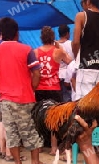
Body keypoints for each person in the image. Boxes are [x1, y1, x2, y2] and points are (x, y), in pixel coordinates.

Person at [0, 17, 47, 164]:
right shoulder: (26, 50)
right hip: (25, 97)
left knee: (11, 131)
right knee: (31, 130)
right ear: (16, 33)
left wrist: (2, 86)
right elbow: (37, 73)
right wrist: (31, 87)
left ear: (0, 33)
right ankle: (35, 163)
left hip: (5, 99)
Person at [34, 26, 73, 156]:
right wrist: (59, 47)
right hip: (54, 88)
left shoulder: (35, 52)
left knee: (38, 117)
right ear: (52, 37)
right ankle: (53, 147)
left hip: (39, 88)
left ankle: (38, 147)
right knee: (54, 119)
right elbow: (71, 63)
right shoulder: (58, 51)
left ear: (41, 38)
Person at [72, 0, 99, 99]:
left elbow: (75, 42)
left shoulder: (81, 16)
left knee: (83, 106)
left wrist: (77, 57)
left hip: (85, 67)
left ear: (87, 1)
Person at [57, 24, 74, 103]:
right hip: (69, 76)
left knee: (60, 101)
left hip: (57, 77)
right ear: (67, 33)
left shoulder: (54, 45)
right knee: (70, 100)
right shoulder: (72, 44)